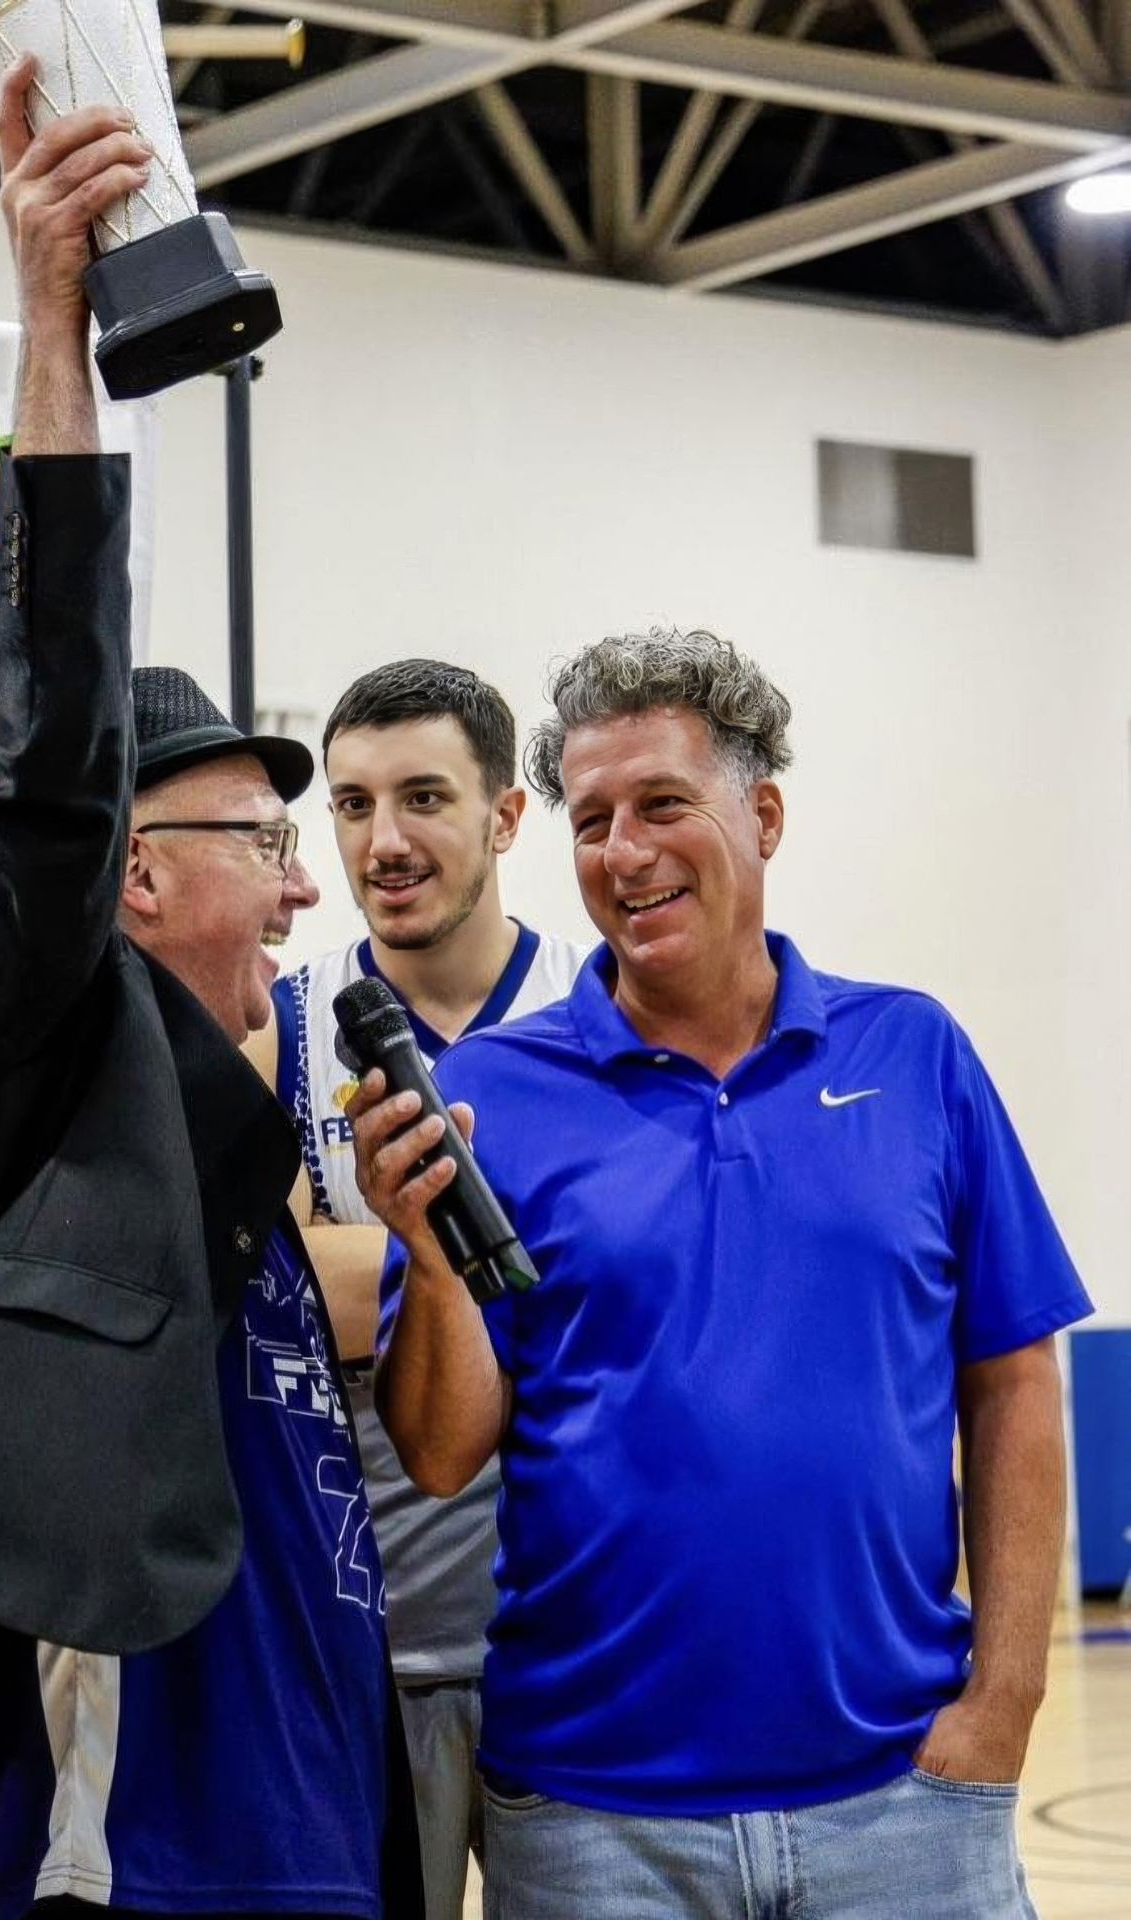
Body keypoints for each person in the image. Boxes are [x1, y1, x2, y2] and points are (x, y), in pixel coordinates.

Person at [0, 62, 420, 1920]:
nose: (306, 885)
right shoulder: (10, 1062)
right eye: (261, 839)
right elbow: (50, 778)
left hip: (320, 1836)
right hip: (136, 1860)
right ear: (131, 871)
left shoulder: (237, 1140)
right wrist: (58, 335)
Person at [356, 628, 1092, 1920]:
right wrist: (427, 1253)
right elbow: (440, 1450)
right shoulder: (492, 1094)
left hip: (904, 1805)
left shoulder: (915, 1055)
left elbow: (1015, 1382)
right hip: (594, 1825)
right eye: (593, 821)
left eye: (661, 806)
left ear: (764, 818)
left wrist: (1006, 1699)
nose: (622, 853)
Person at [249, 658, 585, 1920]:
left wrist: (363, 1253)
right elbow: (268, 1294)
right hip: (360, 1650)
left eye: (424, 798)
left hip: (575, 1645)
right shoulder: (278, 1021)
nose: (382, 840)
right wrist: (519, 1272)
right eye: (352, 804)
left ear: (506, 816)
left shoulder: (599, 1008)